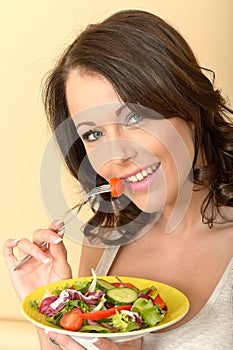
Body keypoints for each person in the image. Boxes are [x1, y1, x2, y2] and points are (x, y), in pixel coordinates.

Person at [3, 9, 233, 350]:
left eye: (135, 117)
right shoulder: (105, 242)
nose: (115, 155)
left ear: (190, 110)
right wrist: (52, 313)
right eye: (94, 133)